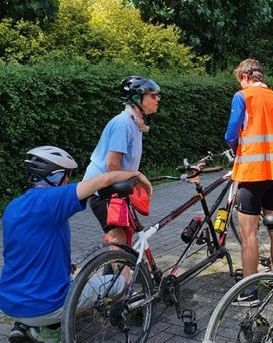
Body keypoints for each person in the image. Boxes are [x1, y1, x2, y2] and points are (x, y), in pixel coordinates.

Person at [0, 146, 152, 343]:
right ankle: (46, 332)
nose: (68, 181)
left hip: (9, 301)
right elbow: (103, 180)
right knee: (125, 279)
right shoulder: (52, 200)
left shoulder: (13, 206)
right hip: (46, 305)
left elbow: (22, 252)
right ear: (57, 177)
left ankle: (24, 326)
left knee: (69, 275)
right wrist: (137, 174)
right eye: (67, 176)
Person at [224, 58, 273, 305]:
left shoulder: (243, 97)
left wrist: (236, 153)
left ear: (244, 77)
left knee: (249, 233)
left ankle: (249, 291)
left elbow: (232, 133)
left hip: (252, 173)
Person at [83, 76, 160, 246]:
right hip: (101, 190)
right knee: (118, 237)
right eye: (153, 95)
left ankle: (113, 270)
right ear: (137, 98)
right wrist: (136, 177)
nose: (157, 99)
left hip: (114, 188)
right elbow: (112, 164)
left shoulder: (135, 122)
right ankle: (120, 271)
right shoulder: (123, 124)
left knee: (126, 232)